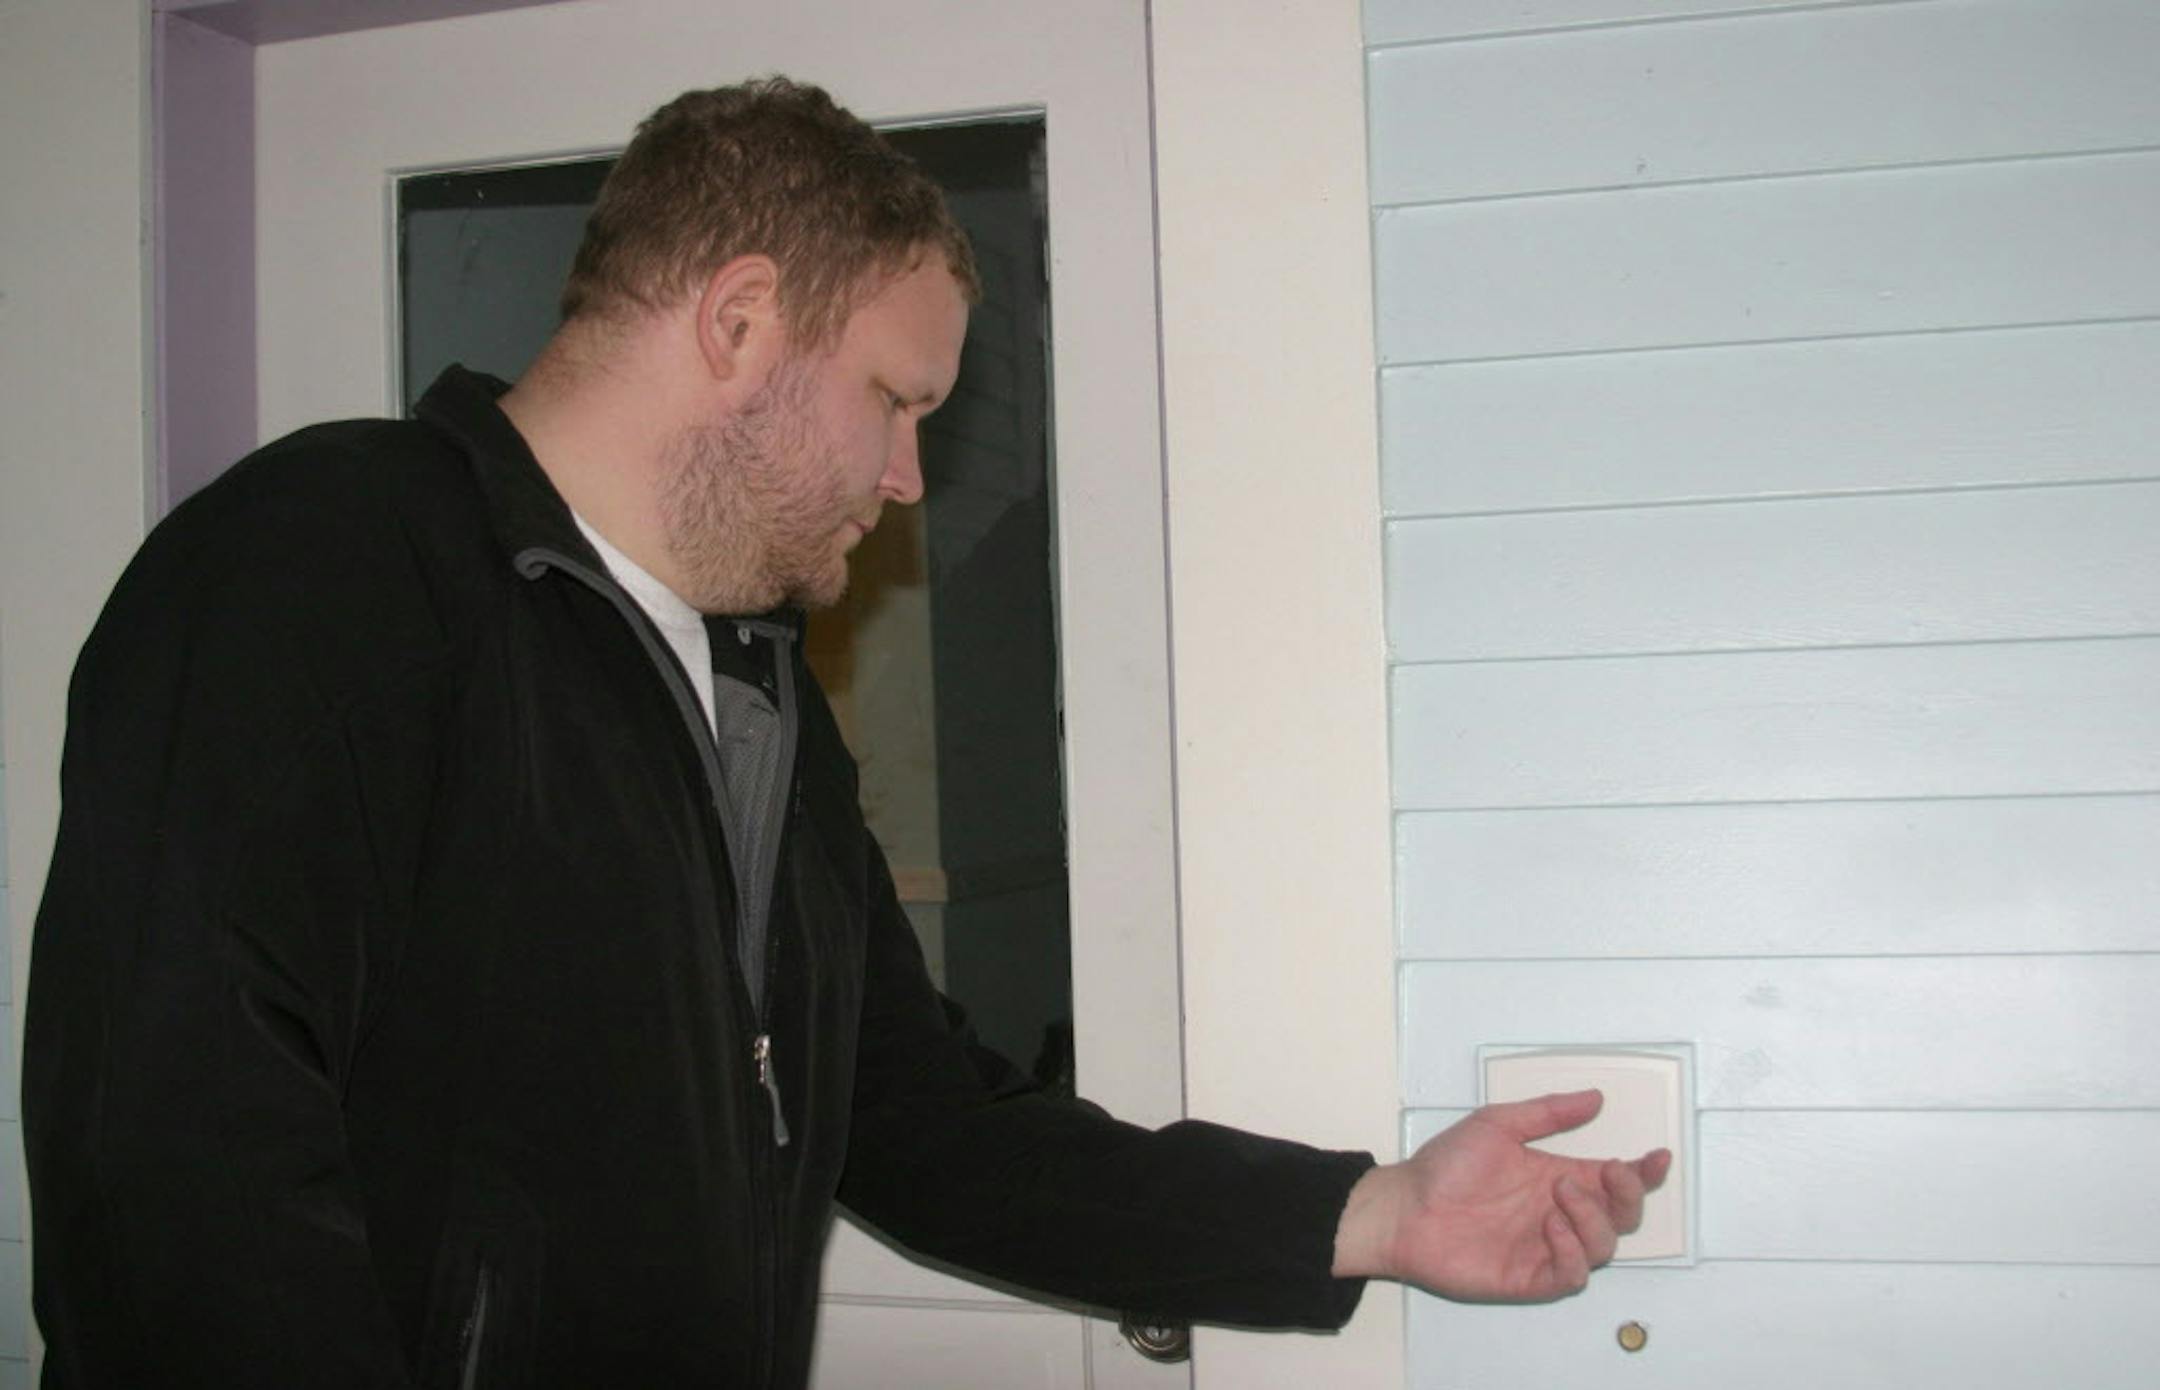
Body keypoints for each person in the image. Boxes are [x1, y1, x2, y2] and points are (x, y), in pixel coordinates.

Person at [23, 77, 1667, 1389]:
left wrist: (1369, 1212)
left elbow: (923, 1124)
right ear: (739, 321)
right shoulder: (331, 554)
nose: (907, 480)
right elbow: (171, 1152)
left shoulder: (755, 692)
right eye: (896, 400)